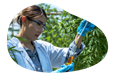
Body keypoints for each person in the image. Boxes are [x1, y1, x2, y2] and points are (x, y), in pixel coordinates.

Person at [6, 5, 95, 73]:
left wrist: (80, 34)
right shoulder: (9, 49)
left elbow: (68, 56)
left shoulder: (44, 47)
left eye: (43, 26)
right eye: (38, 24)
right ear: (24, 20)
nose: (41, 30)